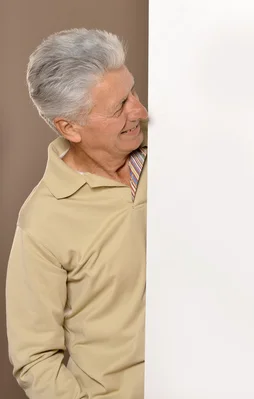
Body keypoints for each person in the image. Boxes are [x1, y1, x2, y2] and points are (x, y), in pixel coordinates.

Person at [5, 28, 149, 399]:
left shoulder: (175, 147)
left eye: (132, 90)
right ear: (69, 127)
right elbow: (35, 359)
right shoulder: (42, 222)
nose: (141, 111)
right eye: (119, 107)